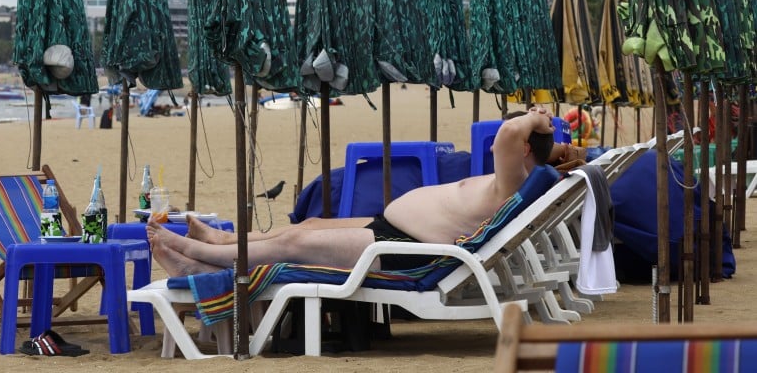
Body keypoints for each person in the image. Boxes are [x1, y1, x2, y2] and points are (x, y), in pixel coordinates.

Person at [148, 107, 557, 277]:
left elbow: (507, 131)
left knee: (293, 242)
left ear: (522, 148)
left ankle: (197, 257)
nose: (493, 147)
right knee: (309, 224)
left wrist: (536, 118)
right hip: (395, 232)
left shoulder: (513, 180)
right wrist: (553, 141)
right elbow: (523, 142)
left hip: (409, 249)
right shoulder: (524, 174)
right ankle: (221, 239)